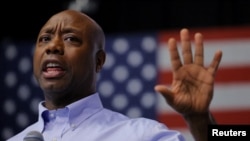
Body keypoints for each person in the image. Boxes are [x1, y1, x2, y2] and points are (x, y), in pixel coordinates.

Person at [7, 9, 222, 141]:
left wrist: (200, 120)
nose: (52, 46)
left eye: (71, 38)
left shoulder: (142, 135)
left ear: (99, 61)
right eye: (44, 39)